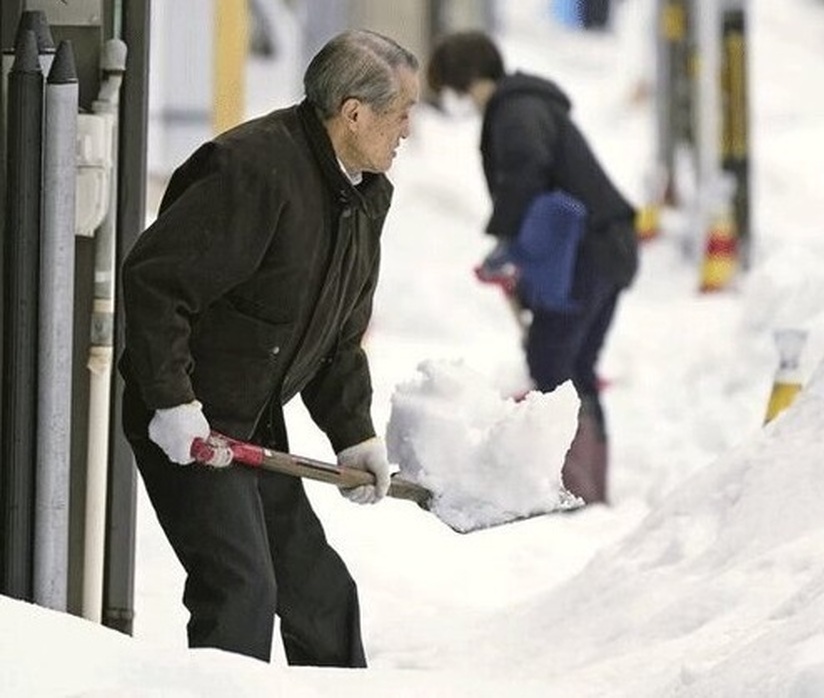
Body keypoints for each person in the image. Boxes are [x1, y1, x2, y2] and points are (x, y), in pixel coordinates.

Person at [118, 29, 420, 666]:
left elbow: (336, 337)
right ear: (354, 112)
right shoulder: (251, 169)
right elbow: (156, 282)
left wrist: (353, 434)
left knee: (320, 595)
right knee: (240, 590)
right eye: (401, 113)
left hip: (252, 417)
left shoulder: (364, 196)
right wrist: (172, 402)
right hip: (189, 417)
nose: (407, 131)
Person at [426, 31, 639, 505]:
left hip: (591, 250)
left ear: (464, 79)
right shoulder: (523, 104)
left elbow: (525, 170)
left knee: (553, 362)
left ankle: (575, 486)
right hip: (603, 246)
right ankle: (587, 487)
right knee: (572, 363)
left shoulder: (515, 110)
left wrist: (506, 242)